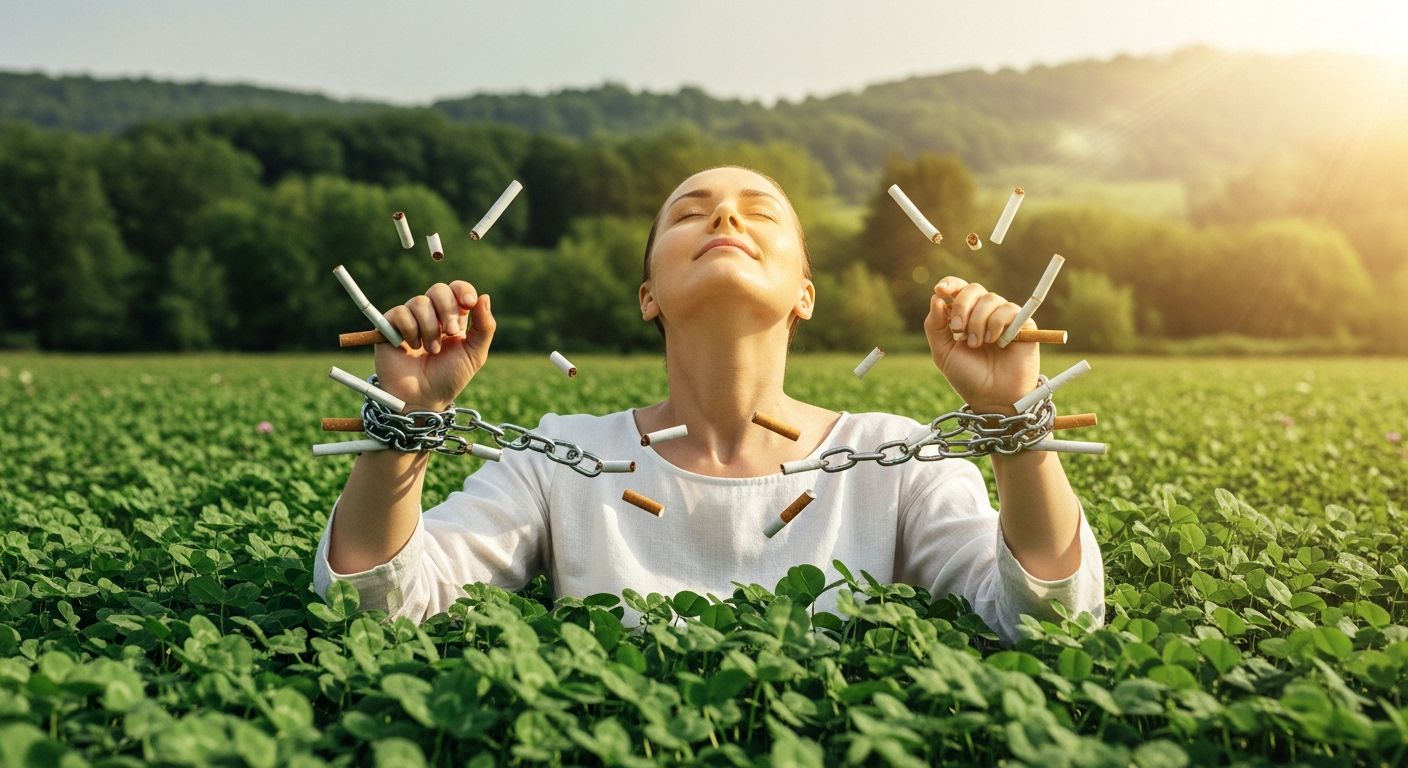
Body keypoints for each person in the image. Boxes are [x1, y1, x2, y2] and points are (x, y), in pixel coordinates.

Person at [312, 165, 1105, 645]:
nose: (725, 216)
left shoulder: (897, 460)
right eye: (690, 212)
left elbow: (1050, 619)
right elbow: (378, 610)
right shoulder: (557, 457)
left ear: (806, 292)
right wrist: (402, 421)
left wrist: (1016, 425)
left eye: (760, 212)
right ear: (648, 294)